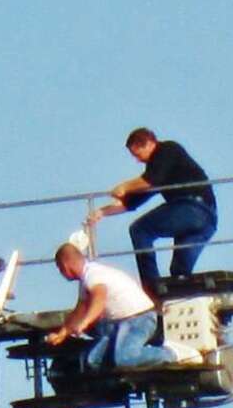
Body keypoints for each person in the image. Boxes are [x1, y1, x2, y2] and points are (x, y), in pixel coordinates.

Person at [88, 127, 218, 296]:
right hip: (207, 219)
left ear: (148, 144)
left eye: (137, 154)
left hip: (192, 208)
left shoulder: (168, 149)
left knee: (139, 230)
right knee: (180, 273)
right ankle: (180, 299)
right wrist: (102, 212)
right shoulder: (161, 169)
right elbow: (133, 201)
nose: (138, 160)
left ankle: (150, 286)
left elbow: (151, 180)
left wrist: (124, 186)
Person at [46, 243, 175, 370]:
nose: (61, 273)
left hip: (139, 319)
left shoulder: (94, 274)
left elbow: (99, 299)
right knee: (93, 360)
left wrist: (84, 323)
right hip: (121, 323)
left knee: (125, 358)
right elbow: (79, 311)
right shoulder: (85, 280)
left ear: (65, 265)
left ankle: (170, 354)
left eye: (59, 268)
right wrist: (62, 334)